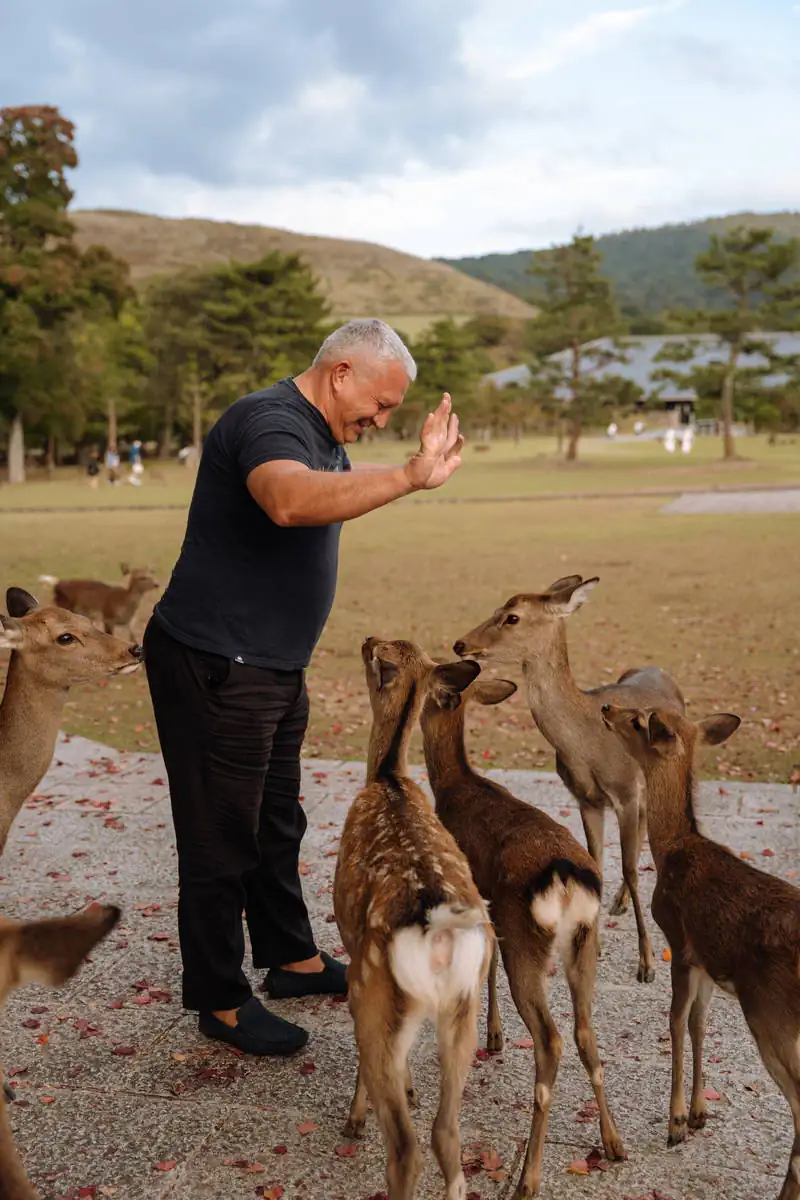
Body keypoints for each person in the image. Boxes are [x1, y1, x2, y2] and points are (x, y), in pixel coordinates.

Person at [143, 319, 464, 1057]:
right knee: (219, 834)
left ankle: (290, 958)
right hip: (217, 662)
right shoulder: (269, 421)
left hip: (272, 665)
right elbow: (287, 500)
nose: (381, 421)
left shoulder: (327, 435)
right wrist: (411, 478)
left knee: (275, 821)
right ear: (341, 371)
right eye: (379, 404)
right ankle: (220, 1000)